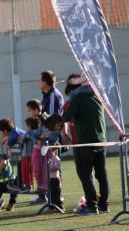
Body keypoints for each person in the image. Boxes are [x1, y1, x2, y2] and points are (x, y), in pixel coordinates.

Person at [61, 74, 110, 215]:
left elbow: (66, 117)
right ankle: (104, 205)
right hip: (101, 140)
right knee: (102, 175)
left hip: (84, 142)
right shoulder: (97, 97)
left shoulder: (76, 99)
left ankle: (91, 206)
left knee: (86, 175)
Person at [48, 143, 64, 211]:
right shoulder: (49, 158)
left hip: (55, 178)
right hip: (50, 178)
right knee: (51, 193)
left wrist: (50, 169)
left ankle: (60, 206)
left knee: (57, 193)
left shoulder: (55, 158)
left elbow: (57, 167)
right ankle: (51, 206)